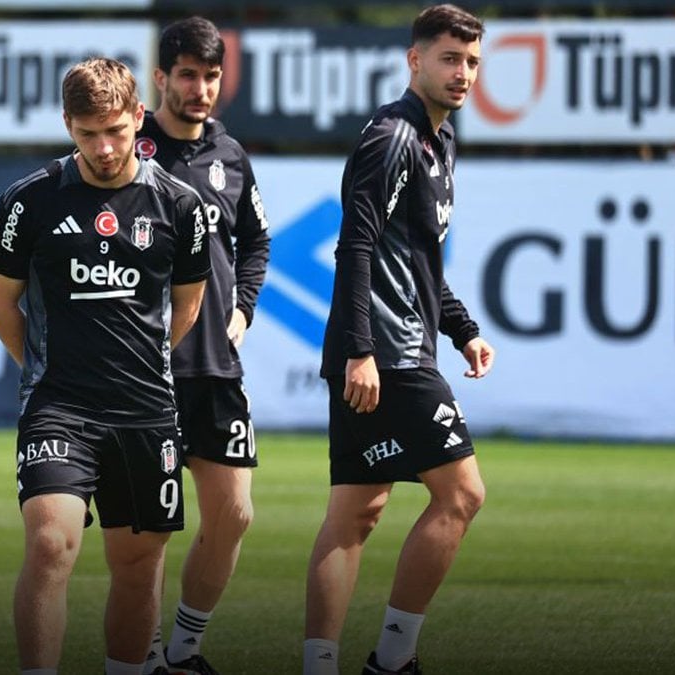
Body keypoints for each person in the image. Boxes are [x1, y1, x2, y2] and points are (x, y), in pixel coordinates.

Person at [0, 57, 210, 675]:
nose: (104, 148)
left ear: (139, 116)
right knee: (50, 543)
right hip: (59, 407)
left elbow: (187, 305)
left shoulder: (180, 204)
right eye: (87, 134)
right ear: (67, 125)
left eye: (115, 131)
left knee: (138, 565)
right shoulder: (30, 199)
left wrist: (143, 362)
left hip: (146, 410)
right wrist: (42, 369)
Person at [303, 6, 495, 675]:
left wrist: (462, 329)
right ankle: (392, 659)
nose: (462, 73)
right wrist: (360, 350)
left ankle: (320, 664)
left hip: (391, 348)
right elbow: (354, 245)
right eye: (449, 58)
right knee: (463, 494)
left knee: (357, 512)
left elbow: (416, 259)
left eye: (472, 62)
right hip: (387, 354)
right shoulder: (392, 137)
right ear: (415, 61)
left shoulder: (440, 139)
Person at [134, 16, 270, 675]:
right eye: (188, 75)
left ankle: (185, 647)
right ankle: (146, 654)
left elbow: (257, 240)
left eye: (211, 76)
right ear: (161, 77)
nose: (201, 89)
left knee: (234, 514)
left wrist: (243, 308)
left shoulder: (231, 155)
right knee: (151, 529)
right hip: (145, 371)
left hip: (216, 365)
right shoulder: (128, 146)